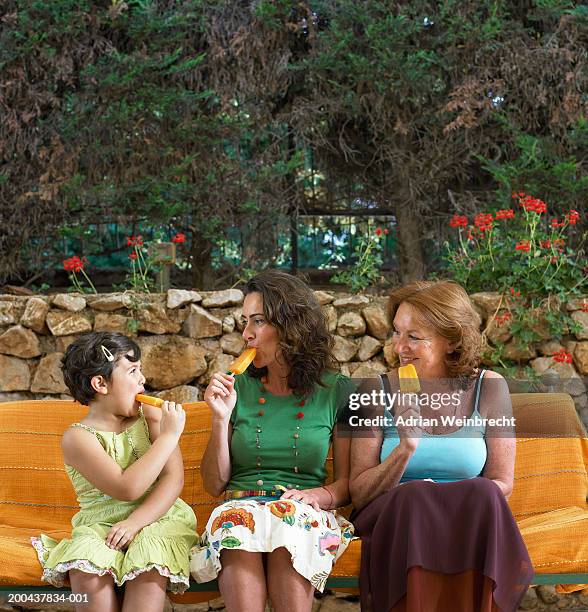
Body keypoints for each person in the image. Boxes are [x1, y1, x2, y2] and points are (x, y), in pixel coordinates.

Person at [347, 280, 533, 612]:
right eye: (396, 332)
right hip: (397, 516)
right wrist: (405, 448)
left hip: (466, 517)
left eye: (413, 337)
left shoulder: (489, 388)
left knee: (484, 492)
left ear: (451, 341)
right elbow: (359, 494)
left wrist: (446, 499)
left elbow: (503, 483)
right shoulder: (376, 390)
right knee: (416, 494)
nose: (399, 347)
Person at [190, 270, 355, 612]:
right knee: (236, 524)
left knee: (291, 527)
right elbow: (213, 483)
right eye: (244, 322)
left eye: (258, 322)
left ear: (292, 327)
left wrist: (317, 496)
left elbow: (346, 484)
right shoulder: (238, 388)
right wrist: (220, 419)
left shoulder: (336, 390)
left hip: (302, 511)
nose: (247, 335)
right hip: (239, 506)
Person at [31, 332, 197, 612]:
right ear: (100, 384)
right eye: (133, 371)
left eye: (140, 370)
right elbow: (125, 488)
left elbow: (173, 479)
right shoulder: (77, 438)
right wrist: (169, 438)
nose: (142, 379)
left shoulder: (153, 417)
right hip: (100, 524)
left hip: (157, 516)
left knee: (149, 562)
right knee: (86, 568)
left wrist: (135, 523)